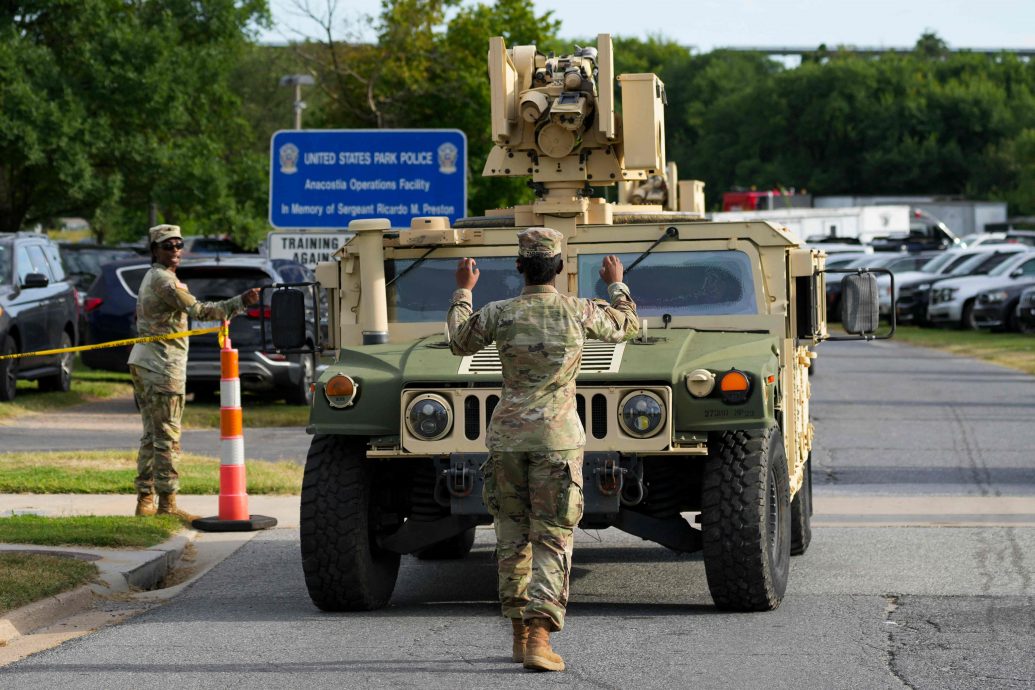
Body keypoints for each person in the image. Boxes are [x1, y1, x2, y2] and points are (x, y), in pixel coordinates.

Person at [447, 227, 639, 672]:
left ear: (519, 267)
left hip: (507, 439)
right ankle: (538, 635)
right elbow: (625, 325)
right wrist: (616, 283)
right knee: (552, 537)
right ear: (560, 267)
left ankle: (519, 634)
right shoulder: (580, 310)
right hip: (557, 440)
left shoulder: (500, 313)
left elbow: (459, 340)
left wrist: (463, 290)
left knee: (511, 535)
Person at [128, 224, 260, 521]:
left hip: (147, 363)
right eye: (167, 245)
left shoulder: (156, 276)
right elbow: (200, 311)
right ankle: (167, 505)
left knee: (151, 436)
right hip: (161, 366)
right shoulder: (165, 281)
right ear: (154, 250)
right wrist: (240, 302)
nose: (175, 250)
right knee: (167, 438)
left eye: (178, 244)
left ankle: (146, 501)